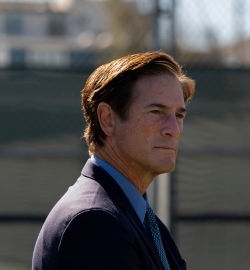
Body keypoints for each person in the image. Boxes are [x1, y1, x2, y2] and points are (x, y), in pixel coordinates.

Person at [32, 51, 196, 270]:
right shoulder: (94, 224)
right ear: (107, 119)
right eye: (156, 112)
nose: (173, 130)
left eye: (179, 115)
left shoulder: (141, 220)